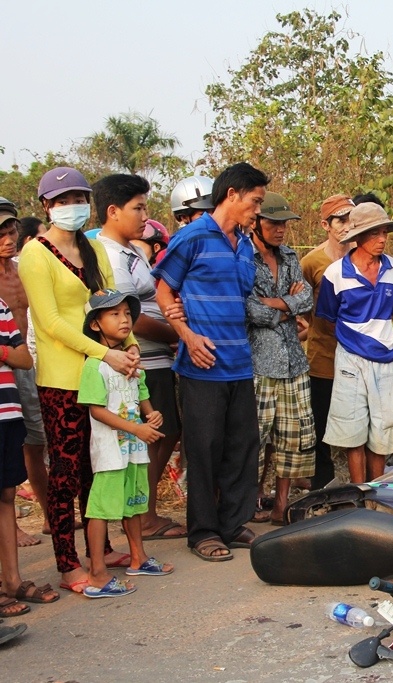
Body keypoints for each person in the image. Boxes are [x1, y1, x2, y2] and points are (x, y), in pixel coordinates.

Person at [20, 167, 140, 593]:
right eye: (62, 200)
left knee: (99, 466)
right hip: (63, 378)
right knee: (65, 473)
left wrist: (130, 347)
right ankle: (67, 562)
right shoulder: (35, 253)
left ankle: (99, 551)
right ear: (46, 206)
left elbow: (111, 302)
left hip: (103, 372)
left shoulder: (94, 249)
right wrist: (105, 352)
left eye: (78, 199)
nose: (72, 207)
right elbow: (50, 322)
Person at [152, 162, 266, 562]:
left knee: (242, 447)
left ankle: (232, 524)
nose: (257, 211)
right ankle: (203, 531)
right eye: (255, 201)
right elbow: (163, 292)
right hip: (201, 365)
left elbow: (242, 298)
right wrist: (186, 334)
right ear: (232, 195)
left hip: (240, 362)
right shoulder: (192, 237)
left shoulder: (246, 245)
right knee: (203, 449)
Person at [93, 174, 184, 541]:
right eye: (138, 208)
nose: (145, 216)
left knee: (165, 431)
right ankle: (142, 515)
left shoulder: (130, 250)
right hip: (140, 358)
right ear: (113, 211)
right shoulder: (110, 257)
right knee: (155, 433)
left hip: (155, 356)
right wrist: (179, 334)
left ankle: (143, 511)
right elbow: (129, 318)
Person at [78, 290, 173, 597]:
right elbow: (96, 410)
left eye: (128, 314)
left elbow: (142, 397)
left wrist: (151, 415)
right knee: (101, 509)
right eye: (115, 314)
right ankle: (97, 573)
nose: (124, 320)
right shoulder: (96, 365)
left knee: (133, 503)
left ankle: (138, 557)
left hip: (133, 449)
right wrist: (136, 428)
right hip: (110, 452)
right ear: (95, 324)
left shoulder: (132, 362)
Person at [316, 202, 393, 483]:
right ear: (358, 237)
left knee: (382, 428)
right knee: (352, 429)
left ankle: (376, 490)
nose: (382, 239)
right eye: (374, 233)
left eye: (384, 232)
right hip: (350, 358)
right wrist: (354, 339)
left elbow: (391, 312)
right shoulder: (335, 273)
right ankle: (359, 491)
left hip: (384, 358)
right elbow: (329, 319)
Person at [246, 192, 315, 524]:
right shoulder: (243, 257)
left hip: (293, 361)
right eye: (273, 223)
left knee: (293, 436)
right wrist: (287, 307)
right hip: (259, 361)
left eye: (284, 223)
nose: (281, 229)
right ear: (256, 223)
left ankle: (281, 506)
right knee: (255, 438)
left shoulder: (289, 256)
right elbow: (249, 309)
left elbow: (307, 299)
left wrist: (275, 304)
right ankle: (248, 502)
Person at [0, 292, 60, 615]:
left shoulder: (1, 307)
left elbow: (24, 359)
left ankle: (12, 580)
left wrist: (3, 352)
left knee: (7, 494)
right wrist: (8, 354)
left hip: (7, 412)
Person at [0, 202, 48, 548]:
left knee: (34, 439)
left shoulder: (22, 270)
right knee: (7, 444)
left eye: (11, 231)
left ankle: (48, 514)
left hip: (27, 362)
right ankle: (11, 523)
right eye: (0, 234)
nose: (8, 239)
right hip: (4, 370)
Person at [301, 193, 355, 489]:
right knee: (319, 425)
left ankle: (363, 484)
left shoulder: (364, 256)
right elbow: (300, 307)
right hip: (323, 356)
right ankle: (322, 485)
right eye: (341, 220)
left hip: (359, 356)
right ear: (326, 225)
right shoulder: (312, 262)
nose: (347, 225)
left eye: (351, 219)